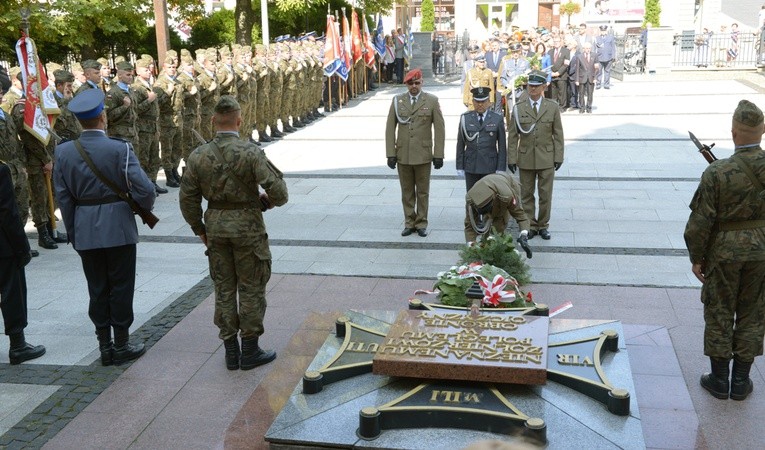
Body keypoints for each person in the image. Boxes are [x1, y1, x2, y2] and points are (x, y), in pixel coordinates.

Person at [179, 95, 287, 370]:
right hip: (248, 227)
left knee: (224, 288)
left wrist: (200, 230)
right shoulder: (250, 152)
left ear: (213, 121)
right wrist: (268, 200)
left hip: (215, 227)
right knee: (251, 287)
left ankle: (230, 351)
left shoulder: (198, 156)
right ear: (239, 120)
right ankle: (250, 350)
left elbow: (187, 200)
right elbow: (281, 193)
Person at [53, 89, 156, 366]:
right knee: (121, 286)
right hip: (119, 226)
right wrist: (143, 206)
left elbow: (63, 197)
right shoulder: (119, 148)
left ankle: (104, 346)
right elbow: (145, 189)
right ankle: (121, 344)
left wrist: (74, 231)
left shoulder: (63, 152)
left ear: (78, 122)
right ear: (102, 116)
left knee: (97, 287)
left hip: (85, 227)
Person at [683, 99, 765, 401]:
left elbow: (700, 221)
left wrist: (697, 257)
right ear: (763, 130)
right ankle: (741, 381)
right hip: (762, 254)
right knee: (754, 312)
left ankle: (719, 380)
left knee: (720, 311)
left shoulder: (718, 171)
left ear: (733, 133)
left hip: (725, 253)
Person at [385, 68, 445, 237]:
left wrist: (438, 154)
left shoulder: (432, 101)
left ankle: (421, 223)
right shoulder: (398, 101)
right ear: (406, 84)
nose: (414, 86)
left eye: (417, 83)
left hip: (423, 155)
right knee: (407, 191)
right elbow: (390, 128)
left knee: (423, 191)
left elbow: (440, 129)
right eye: (410, 83)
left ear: (422, 83)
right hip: (403, 154)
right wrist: (390, 153)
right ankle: (409, 222)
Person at [506, 69, 564, 240]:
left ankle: (543, 225)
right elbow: (512, 136)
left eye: (536, 86)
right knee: (526, 194)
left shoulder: (552, 107)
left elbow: (558, 134)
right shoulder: (518, 108)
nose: (532, 89)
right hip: (525, 158)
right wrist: (512, 158)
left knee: (545, 194)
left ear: (544, 87)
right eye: (530, 86)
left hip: (546, 157)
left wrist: (558, 157)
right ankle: (530, 224)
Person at [1, 160, 46, 365]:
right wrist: (22, 248)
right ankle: (18, 345)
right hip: (3, 247)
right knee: (13, 292)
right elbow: (8, 214)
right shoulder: (1, 169)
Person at [456, 86, 507, 241]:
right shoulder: (466, 118)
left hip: (489, 166)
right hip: (471, 165)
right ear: (472, 101)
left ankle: (488, 224)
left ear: (489, 102)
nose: (480, 105)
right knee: (472, 196)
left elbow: (502, 146)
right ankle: (473, 222)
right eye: (477, 101)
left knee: (490, 198)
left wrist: (501, 167)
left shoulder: (497, 119)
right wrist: (459, 165)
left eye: (483, 101)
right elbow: (460, 143)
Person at [465, 172, 531, 253]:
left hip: (508, 185)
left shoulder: (506, 196)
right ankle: (486, 249)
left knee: (499, 224)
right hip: (488, 186)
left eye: (488, 210)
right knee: (487, 229)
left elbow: (520, 215)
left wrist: (523, 235)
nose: (489, 215)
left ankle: (500, 251)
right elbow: (469, 225)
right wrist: (471, 245)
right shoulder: (471, 200)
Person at [575, 42, 598, 113]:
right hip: (582, 77)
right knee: (581, 94)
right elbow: (577, 69)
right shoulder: (579, 56)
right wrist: (577, 80)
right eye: (586, 48)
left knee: (590, 93)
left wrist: (595, 78)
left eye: (589, 48)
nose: (588, 50)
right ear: (583, 49)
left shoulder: (594, 55)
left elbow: (597, 68)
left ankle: (589, 107)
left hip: (591, 77)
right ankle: (582, 107)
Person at [549, 36, 571, 112]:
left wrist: (558, 73)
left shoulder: (566, 51)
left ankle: (562, 107)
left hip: (561, 75)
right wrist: (551, 73)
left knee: (562, 93)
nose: (556, 43)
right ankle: (554, 107)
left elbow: (566, 64)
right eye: (554, 41)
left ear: (561, 42)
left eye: (557, 41)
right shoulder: (550, 51)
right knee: (553, 93)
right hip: (552, 75)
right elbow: (548, 64)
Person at [594, 25, 616, 89]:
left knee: (607, 71)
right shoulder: (597, 38)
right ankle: (598, 84)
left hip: (608, 57)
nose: (603, 32)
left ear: (606, 31)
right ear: (600, 31)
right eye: (602, 31)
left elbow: (613, 47)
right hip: (599, 58)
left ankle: (606, 84)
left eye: (604, 31)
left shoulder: (610, 37)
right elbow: (594, 48)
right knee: (599, 72)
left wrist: (613, 56)